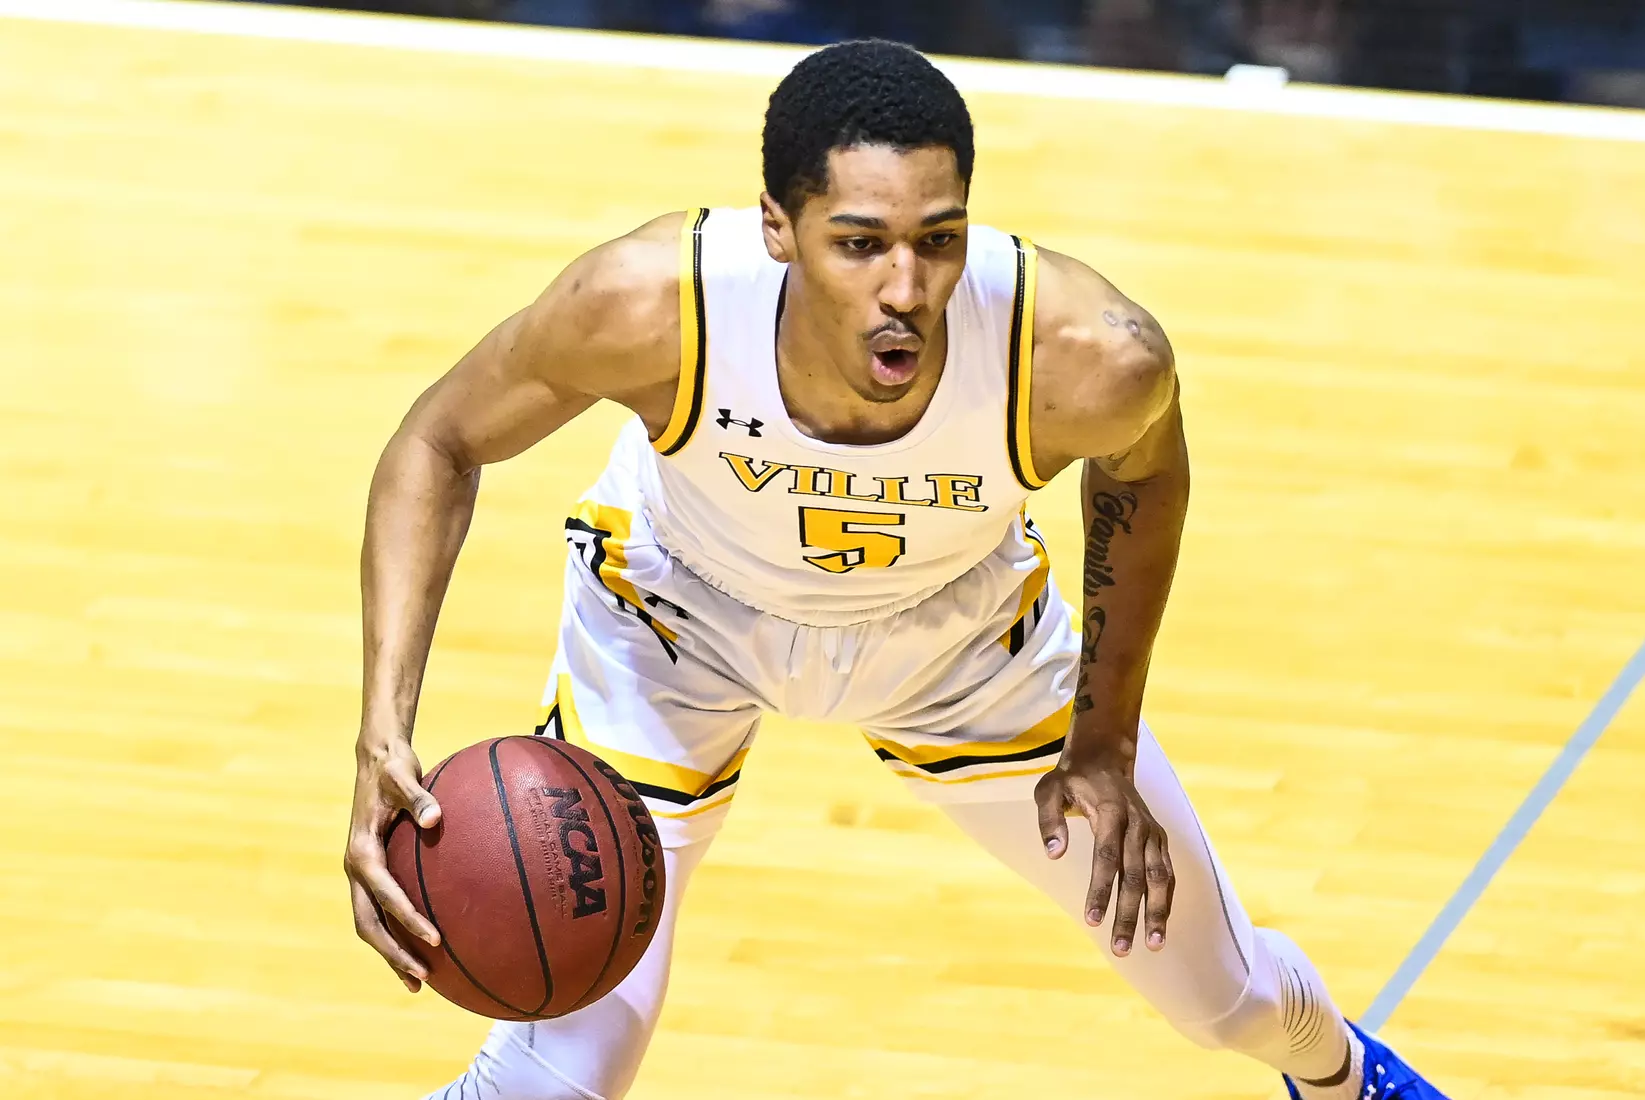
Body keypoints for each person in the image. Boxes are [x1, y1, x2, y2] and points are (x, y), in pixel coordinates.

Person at [343, 38, 1447, 1100]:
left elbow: (1143, 473)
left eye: (939, 238)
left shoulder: (1081, 355)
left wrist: (1104, 738)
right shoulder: (649, 308)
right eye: (861, 243)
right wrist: (382, 731)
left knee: (1225, 997)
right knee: (562, 1073)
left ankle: (1344, 1076)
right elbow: (437, 442)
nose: (907, 287)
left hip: (958, 644)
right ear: (777, 227)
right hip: (675, 627)